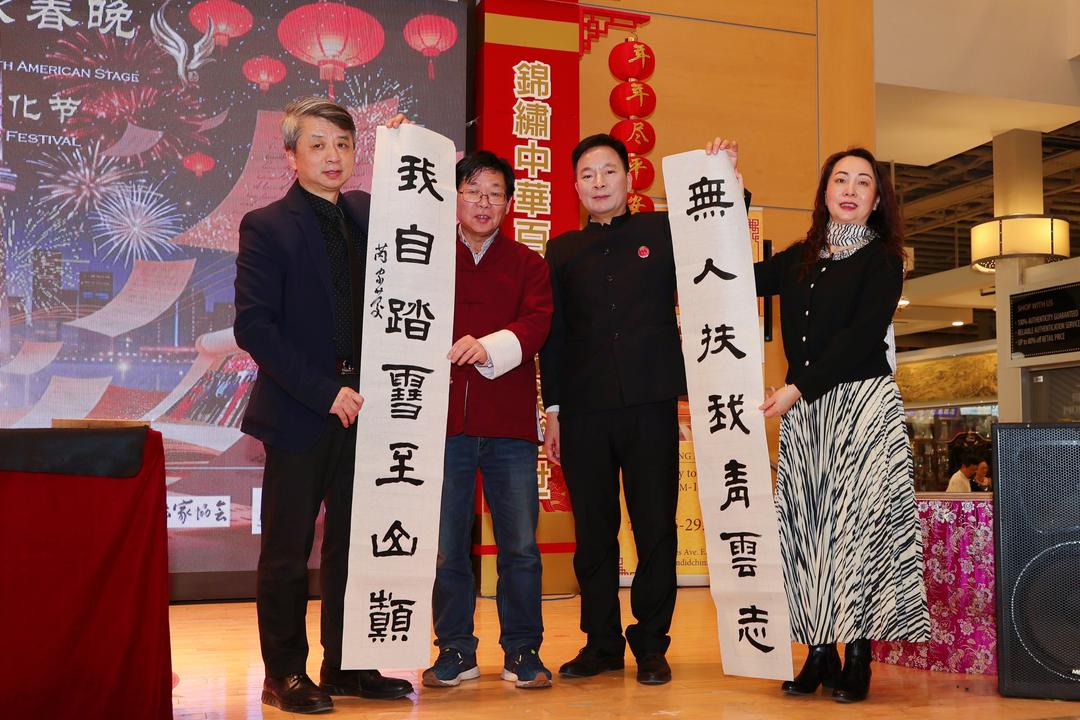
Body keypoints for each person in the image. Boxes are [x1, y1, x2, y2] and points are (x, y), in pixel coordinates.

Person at [539, 134, 744, 686]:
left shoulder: (663, 232)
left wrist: (725, 175)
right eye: (588, 174)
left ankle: (651, 644)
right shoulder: (561, 250)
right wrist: (552, 409)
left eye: (609, 171)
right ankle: (601, 643)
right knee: (594, 532)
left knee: (655, 528)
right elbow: (553, 336)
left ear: (629, 179)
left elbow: (718, 231)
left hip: (652, 404)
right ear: (575, 186)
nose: (599, 182)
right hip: (583, 410)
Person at [234, 97, 413, 714]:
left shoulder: (365, 211)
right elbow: (255, 328)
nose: (332, 156)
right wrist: (323, 391)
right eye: (317, 144)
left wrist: (403, 148)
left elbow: (420, 218)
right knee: (287, 553)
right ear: (291, 155)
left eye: (343, 143)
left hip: (369, 408)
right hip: (300, 409)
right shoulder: (266, 224)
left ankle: (348, 664)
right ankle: (283, 673)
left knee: (354, 545)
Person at [754, 147, 929, 703]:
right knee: (807, 530)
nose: (850, 190)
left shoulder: (884, 259)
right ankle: (818, 652)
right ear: (824, 192)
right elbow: (734, 276)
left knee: (857, 532)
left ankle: (857, 656)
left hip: (860, 407)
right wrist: (726, 187)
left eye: (863, 182)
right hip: (807, 413)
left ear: (877, 200)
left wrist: (795, 389)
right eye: (840, 180)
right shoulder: (798, 258)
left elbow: (860, 338)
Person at [422, 151, 554, 690]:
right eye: (473, 191)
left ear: (509, 203)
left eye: (495, 193)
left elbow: (538, 323)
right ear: (454, 198)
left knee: (519, 546)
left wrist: (489, 346)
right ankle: (455, 648)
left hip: (509, 428)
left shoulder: (529, 263)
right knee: (446, 546)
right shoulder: (426, 258)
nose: (483, 202)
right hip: (442, 425)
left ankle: (523, 651)